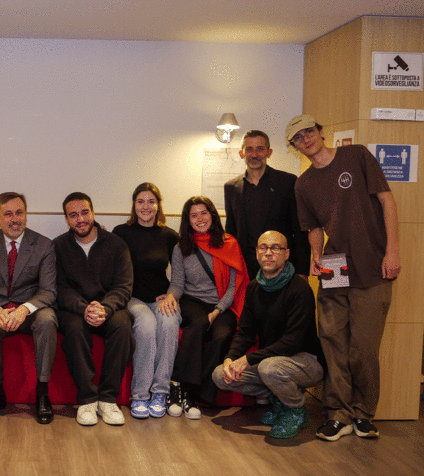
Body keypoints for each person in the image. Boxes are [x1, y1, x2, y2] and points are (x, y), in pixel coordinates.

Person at [289, 114, 401, 441]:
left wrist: (392, 251)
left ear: (321, 132)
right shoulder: (304, 183)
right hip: (334, 264)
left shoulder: (357, 156)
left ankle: (363, 414)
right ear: (294, 146)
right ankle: (338, 414)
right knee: (333, 341)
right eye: (298, 137)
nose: (306, 139)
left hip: (372, 262)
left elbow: (387, 201)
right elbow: (314, 227)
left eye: (309, 131)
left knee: (363, 347)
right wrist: (315, 256)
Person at [212, 231, 324, 439]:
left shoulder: (300, 289)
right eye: (263, 247)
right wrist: (230, 359)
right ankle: (279, 399)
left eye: (275, 248)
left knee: (269, 368)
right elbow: (245, 333)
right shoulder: (255, 288)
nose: (269, 253)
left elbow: (292, 343)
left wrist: (247, 360)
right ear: (256, 253)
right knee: (221, 375)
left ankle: (295, 410)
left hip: (306, 362)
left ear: (286, 254)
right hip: (272, 363)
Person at [159, 196, 248, 419]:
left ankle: (194, 394)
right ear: (188, 220)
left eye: (204, 213)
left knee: (222, 335)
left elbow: (233, 286)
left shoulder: (229, 243)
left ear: (212, 215)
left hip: (223, 304)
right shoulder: (182, 247)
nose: (200, 218)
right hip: (193, 301)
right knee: (198, 324)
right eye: (194, 215)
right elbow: (178, 283)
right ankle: (176, 385)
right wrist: (171, 296)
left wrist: (217, 311)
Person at [0, 192, 58, 424]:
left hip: (33, 310)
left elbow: (49, 291)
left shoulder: (43, 245)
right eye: (8, 213)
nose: (14, 219)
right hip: (0, 309)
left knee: (48, 320)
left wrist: (24, 310)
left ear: (26, 215)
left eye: (19, 212)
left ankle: (42, 393)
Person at [54, 192, 134, 426]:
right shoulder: (58, 246)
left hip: (108, 306)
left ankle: (108, 399)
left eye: (84, 212)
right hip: (75, 309)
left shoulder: (116, 244)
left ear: (93, 212)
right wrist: (83, 308)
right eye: (73, 215)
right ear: (67, 219)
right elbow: (58, 287)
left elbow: (124, 286)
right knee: (74, 329)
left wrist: (105, 308)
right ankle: (88, 399)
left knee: (123, 326)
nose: (80, 219)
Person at [112, 183, 179, 419]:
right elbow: (109, 264)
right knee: (147, 326)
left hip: (161, 297)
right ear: (134, 205)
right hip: (131, 298)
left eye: (151, 201)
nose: (146, 206)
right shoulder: (121, 232)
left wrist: (172, 293)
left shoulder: (170, 236)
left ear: (159, 204)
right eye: (140, 201)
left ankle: (160, 392)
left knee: (170, 324)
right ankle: (140, 395)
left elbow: (180, 273)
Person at [224, 130, 310, 279]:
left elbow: (300, 230)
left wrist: (302, 272)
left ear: (269, 152)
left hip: (283, 269)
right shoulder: (231, 187)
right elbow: (231, 232)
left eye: (260, 149)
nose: (255, 154)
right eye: (249, 149)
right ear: (241, 153)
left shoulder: (288, 182)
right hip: (245, 270)